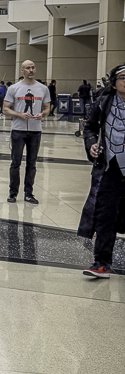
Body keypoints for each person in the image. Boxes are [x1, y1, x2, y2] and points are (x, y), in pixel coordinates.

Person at [78, 65, 125, 278]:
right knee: (105, 215)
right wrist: (91, 145)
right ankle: (101, 263)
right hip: (109, 167)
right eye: (123, 77)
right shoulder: (103, 102)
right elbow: (89, 128)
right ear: (114, 82)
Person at [3, 60, 51, 204]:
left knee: (32, 163)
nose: (31, 70)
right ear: (22, 70)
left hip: (35, 131)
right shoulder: (14, 88)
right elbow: (5, 109)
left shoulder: (43, 88)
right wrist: (19, 114)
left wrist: (43, 114)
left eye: (33, 67)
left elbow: (47, 108)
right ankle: (13, 192)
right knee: (15, 162)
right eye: (28, 68)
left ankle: (29, 193)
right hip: (18, 130)